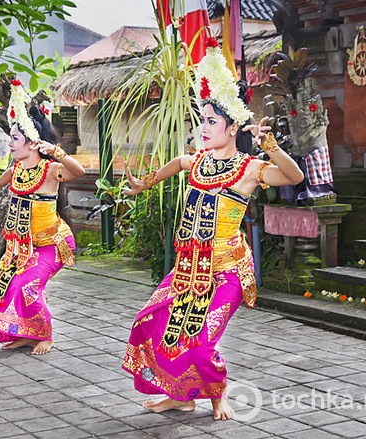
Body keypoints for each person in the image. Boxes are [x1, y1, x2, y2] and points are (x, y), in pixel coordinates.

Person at [121, 38, 304, 420]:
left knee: (202, 341)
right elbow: (178, 160)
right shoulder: (200, 161)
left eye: (211, 121)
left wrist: (269, 145)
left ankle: (217, 392)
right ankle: (181, 396)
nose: (203, 128)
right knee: (152, 323)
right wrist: (146, 183)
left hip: (226, 271)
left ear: (232, 125)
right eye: (201, 120)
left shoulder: (249, 168)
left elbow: (294, 176)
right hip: (188, 269)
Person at [0, 80, 85, 355]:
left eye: (15, 139)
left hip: (53, 245)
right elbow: (6, 177)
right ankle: (26, 335)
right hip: (23, 248)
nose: (10, 143)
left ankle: (45, 336)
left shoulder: (50, 170)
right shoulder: (17, 168)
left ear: (32, 143)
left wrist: (57, 152)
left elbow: (79, 171)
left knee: (26, 285)